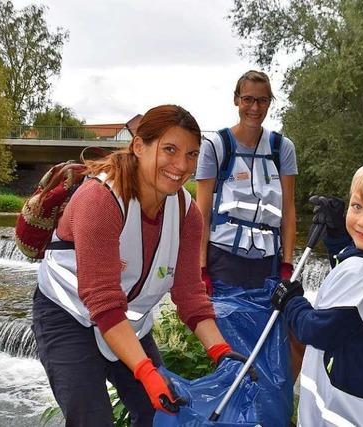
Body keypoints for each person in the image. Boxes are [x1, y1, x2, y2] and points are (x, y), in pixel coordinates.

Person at [32, 104, 248, 427]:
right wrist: (146, 372)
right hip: (68, 317)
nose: (181, 165)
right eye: (170, 150)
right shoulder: (100, 200)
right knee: (93, 420)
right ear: (138, 147)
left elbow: (190, 294)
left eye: (191, 154)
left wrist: (222, 352)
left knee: (159, 413)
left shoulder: (188, 215)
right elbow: (104, 304)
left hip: (128, 324)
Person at [271, 156, 363, 426]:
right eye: (357, 206)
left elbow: (314, 330)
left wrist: (291, 300)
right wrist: (338, 235)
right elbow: (352, 270)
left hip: (347, 410)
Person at [195, 70, 299, 425]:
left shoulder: (282, 148)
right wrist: (201, 269)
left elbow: (288, 210)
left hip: (268, 265)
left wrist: (287, 264)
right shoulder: (216, 147)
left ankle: (268, 417)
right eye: (248, 99)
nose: (254, 107)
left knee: (274, 352)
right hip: (224, 261)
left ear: (270, 102)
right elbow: (201, 212)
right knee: (233, 354)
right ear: (236, 100)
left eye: (262, 100)